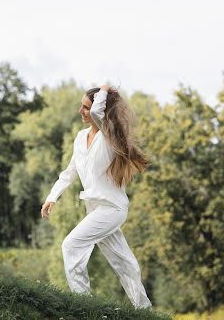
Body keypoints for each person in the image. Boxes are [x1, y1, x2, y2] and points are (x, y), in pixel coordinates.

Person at [40, 85, 152, 308]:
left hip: (112, 209)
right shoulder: (81, 138)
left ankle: (83, 306)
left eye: (85, 107)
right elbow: (70, 172)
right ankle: (145, 310)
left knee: (71, 246)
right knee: (125, 263)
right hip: (95, 210)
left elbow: (96, 113)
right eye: (81, 106)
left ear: (99, 109)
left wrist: (103, 91)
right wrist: (52, 196)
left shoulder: (108, 136)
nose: (80, 111)